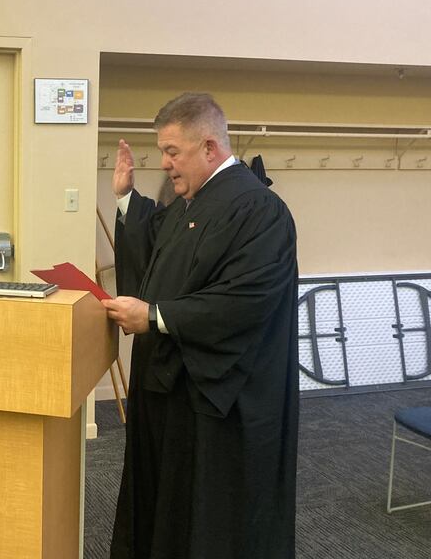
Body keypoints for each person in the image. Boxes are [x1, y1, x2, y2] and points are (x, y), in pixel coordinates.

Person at [101, 92, 299, 559]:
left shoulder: (259, 210)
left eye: (172, 151)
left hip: (223, 397)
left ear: (209, 147)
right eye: (162, 152)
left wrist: (154, 316)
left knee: (212, 516)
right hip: (175, 387)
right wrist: (126, 197)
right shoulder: (192, 202)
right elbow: (154, 247)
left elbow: (245, 300)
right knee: (170, 505)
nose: (165, 164)